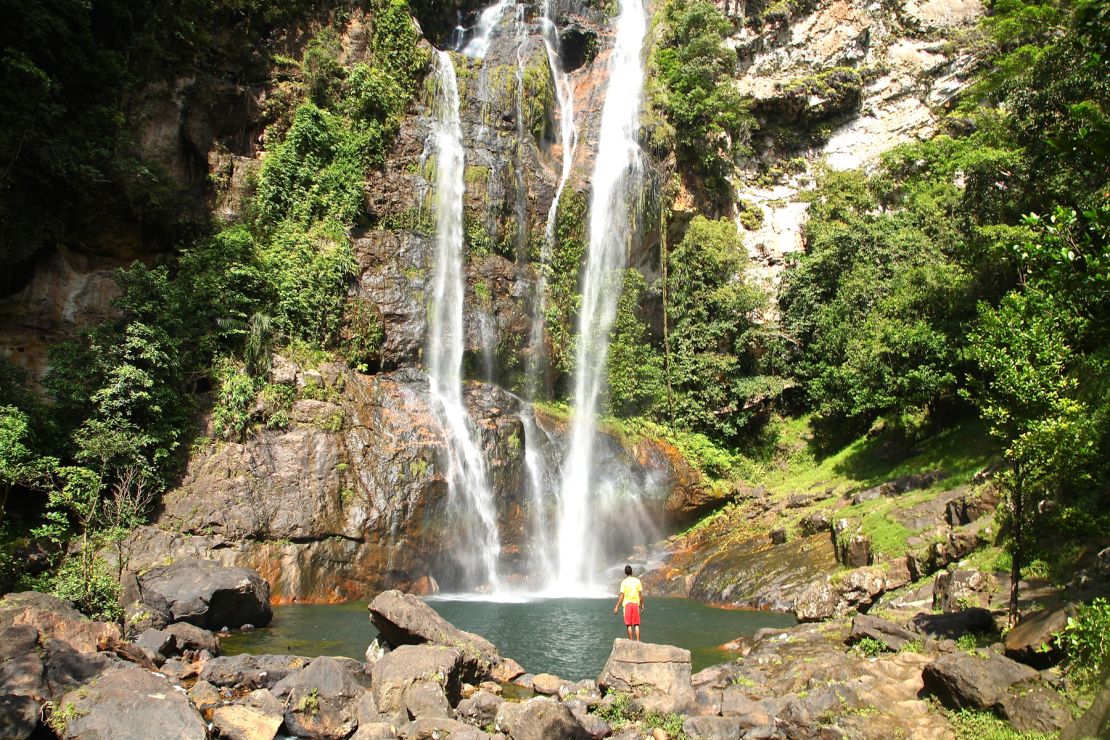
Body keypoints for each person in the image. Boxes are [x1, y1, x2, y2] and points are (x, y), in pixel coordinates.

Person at [613, 565, 644, 641]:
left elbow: (622, 595)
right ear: (632, 572)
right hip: (636, 604)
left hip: (627, 605)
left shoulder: (624, 582)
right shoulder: (637, 581)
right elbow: (640, 594)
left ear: (625, 573)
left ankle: (631, 642)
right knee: (636, 624)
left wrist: (617, 606)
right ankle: (638, 641)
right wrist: (642, 604)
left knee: (629, 625)